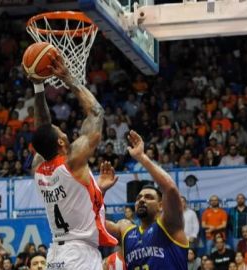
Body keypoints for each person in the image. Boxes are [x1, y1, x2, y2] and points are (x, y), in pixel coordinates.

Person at [29, 53, 118, 269]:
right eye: (61, 130)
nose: (64, 131)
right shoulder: (72, 163)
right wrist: (68, 77)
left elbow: (42, 128)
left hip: (57, 254)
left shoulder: (38, 168)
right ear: (61, 142)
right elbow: (96, 113)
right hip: (79, 254)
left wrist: (39, 88)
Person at [106, 130, 188, 269]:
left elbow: (170, 189)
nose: (142, 200)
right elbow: (93, 222)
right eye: (139, 198)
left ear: (161, 206)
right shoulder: (126, 231)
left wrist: (141, 157)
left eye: (149, 197)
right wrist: (100, 191)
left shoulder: (169, 225)